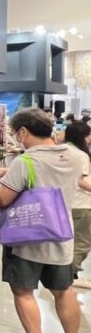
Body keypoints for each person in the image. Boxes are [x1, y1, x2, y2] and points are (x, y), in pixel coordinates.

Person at [0, 108, 90, 333]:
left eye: (16, 133)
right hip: (62, 236)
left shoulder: (25, 161)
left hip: (27, 238)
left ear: (23, 131)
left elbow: (2, 200)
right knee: (63, 290)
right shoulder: (76, 156)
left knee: (23, 291)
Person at [65, 121, 91, 289]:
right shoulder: (81, 155)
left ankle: (67, 273)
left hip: (67, 201)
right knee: (82, 241)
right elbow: (80, 181)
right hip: (81, 203)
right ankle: (72, 274)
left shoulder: (62, 150)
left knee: (70, 240)